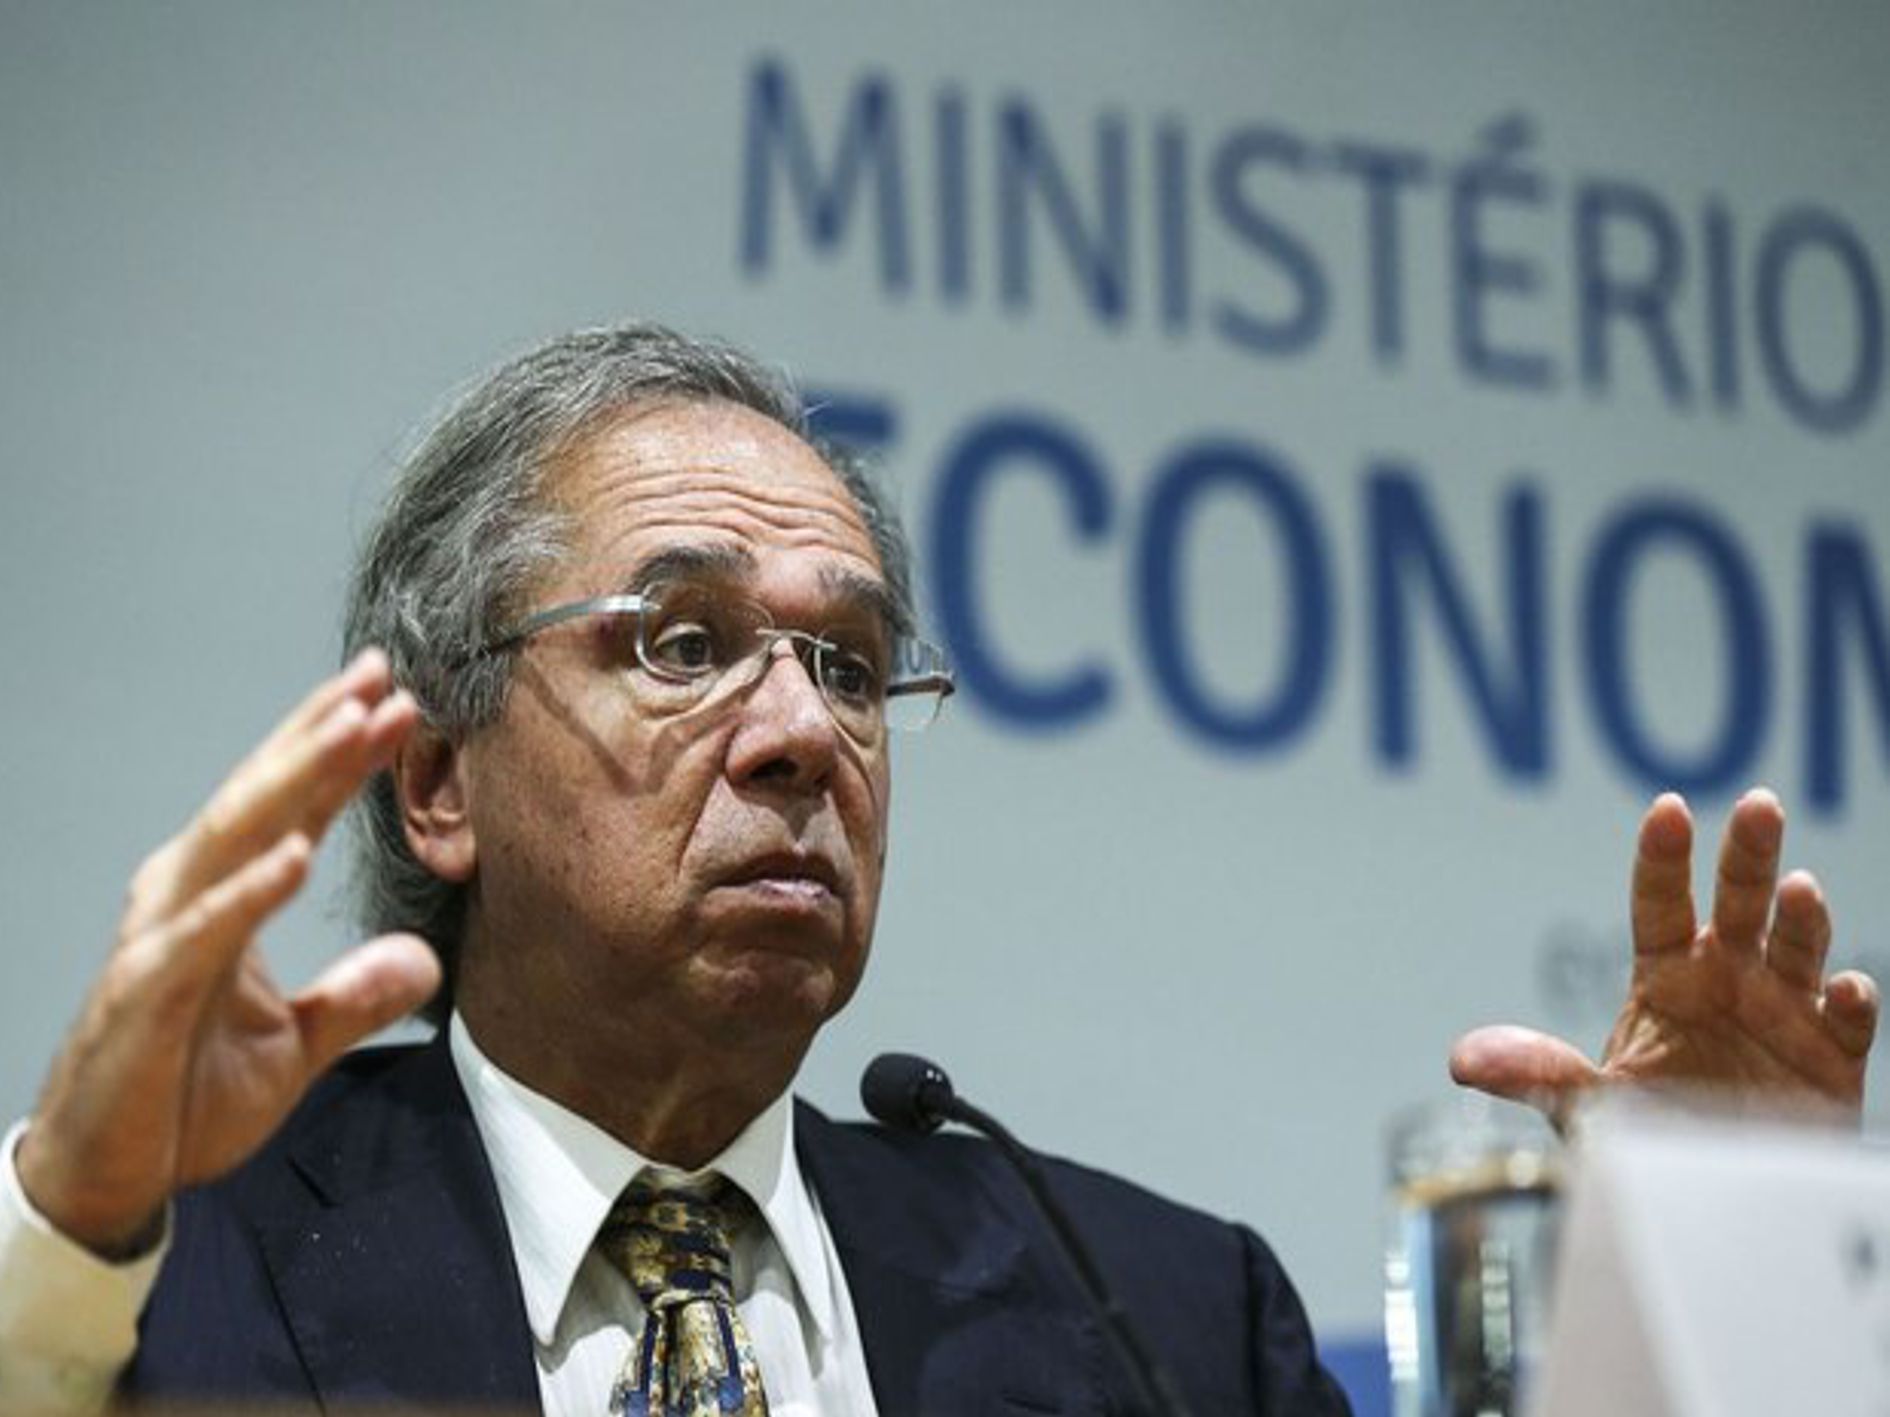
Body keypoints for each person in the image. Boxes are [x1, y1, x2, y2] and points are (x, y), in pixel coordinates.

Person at [0, 325, 1876, 1416]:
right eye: (682, 641)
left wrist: (1729, 1289)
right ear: (435, 782)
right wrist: (71, 1223)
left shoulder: (1159, 1314)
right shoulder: (161, 1259)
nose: (800, 732)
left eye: (846, 663)